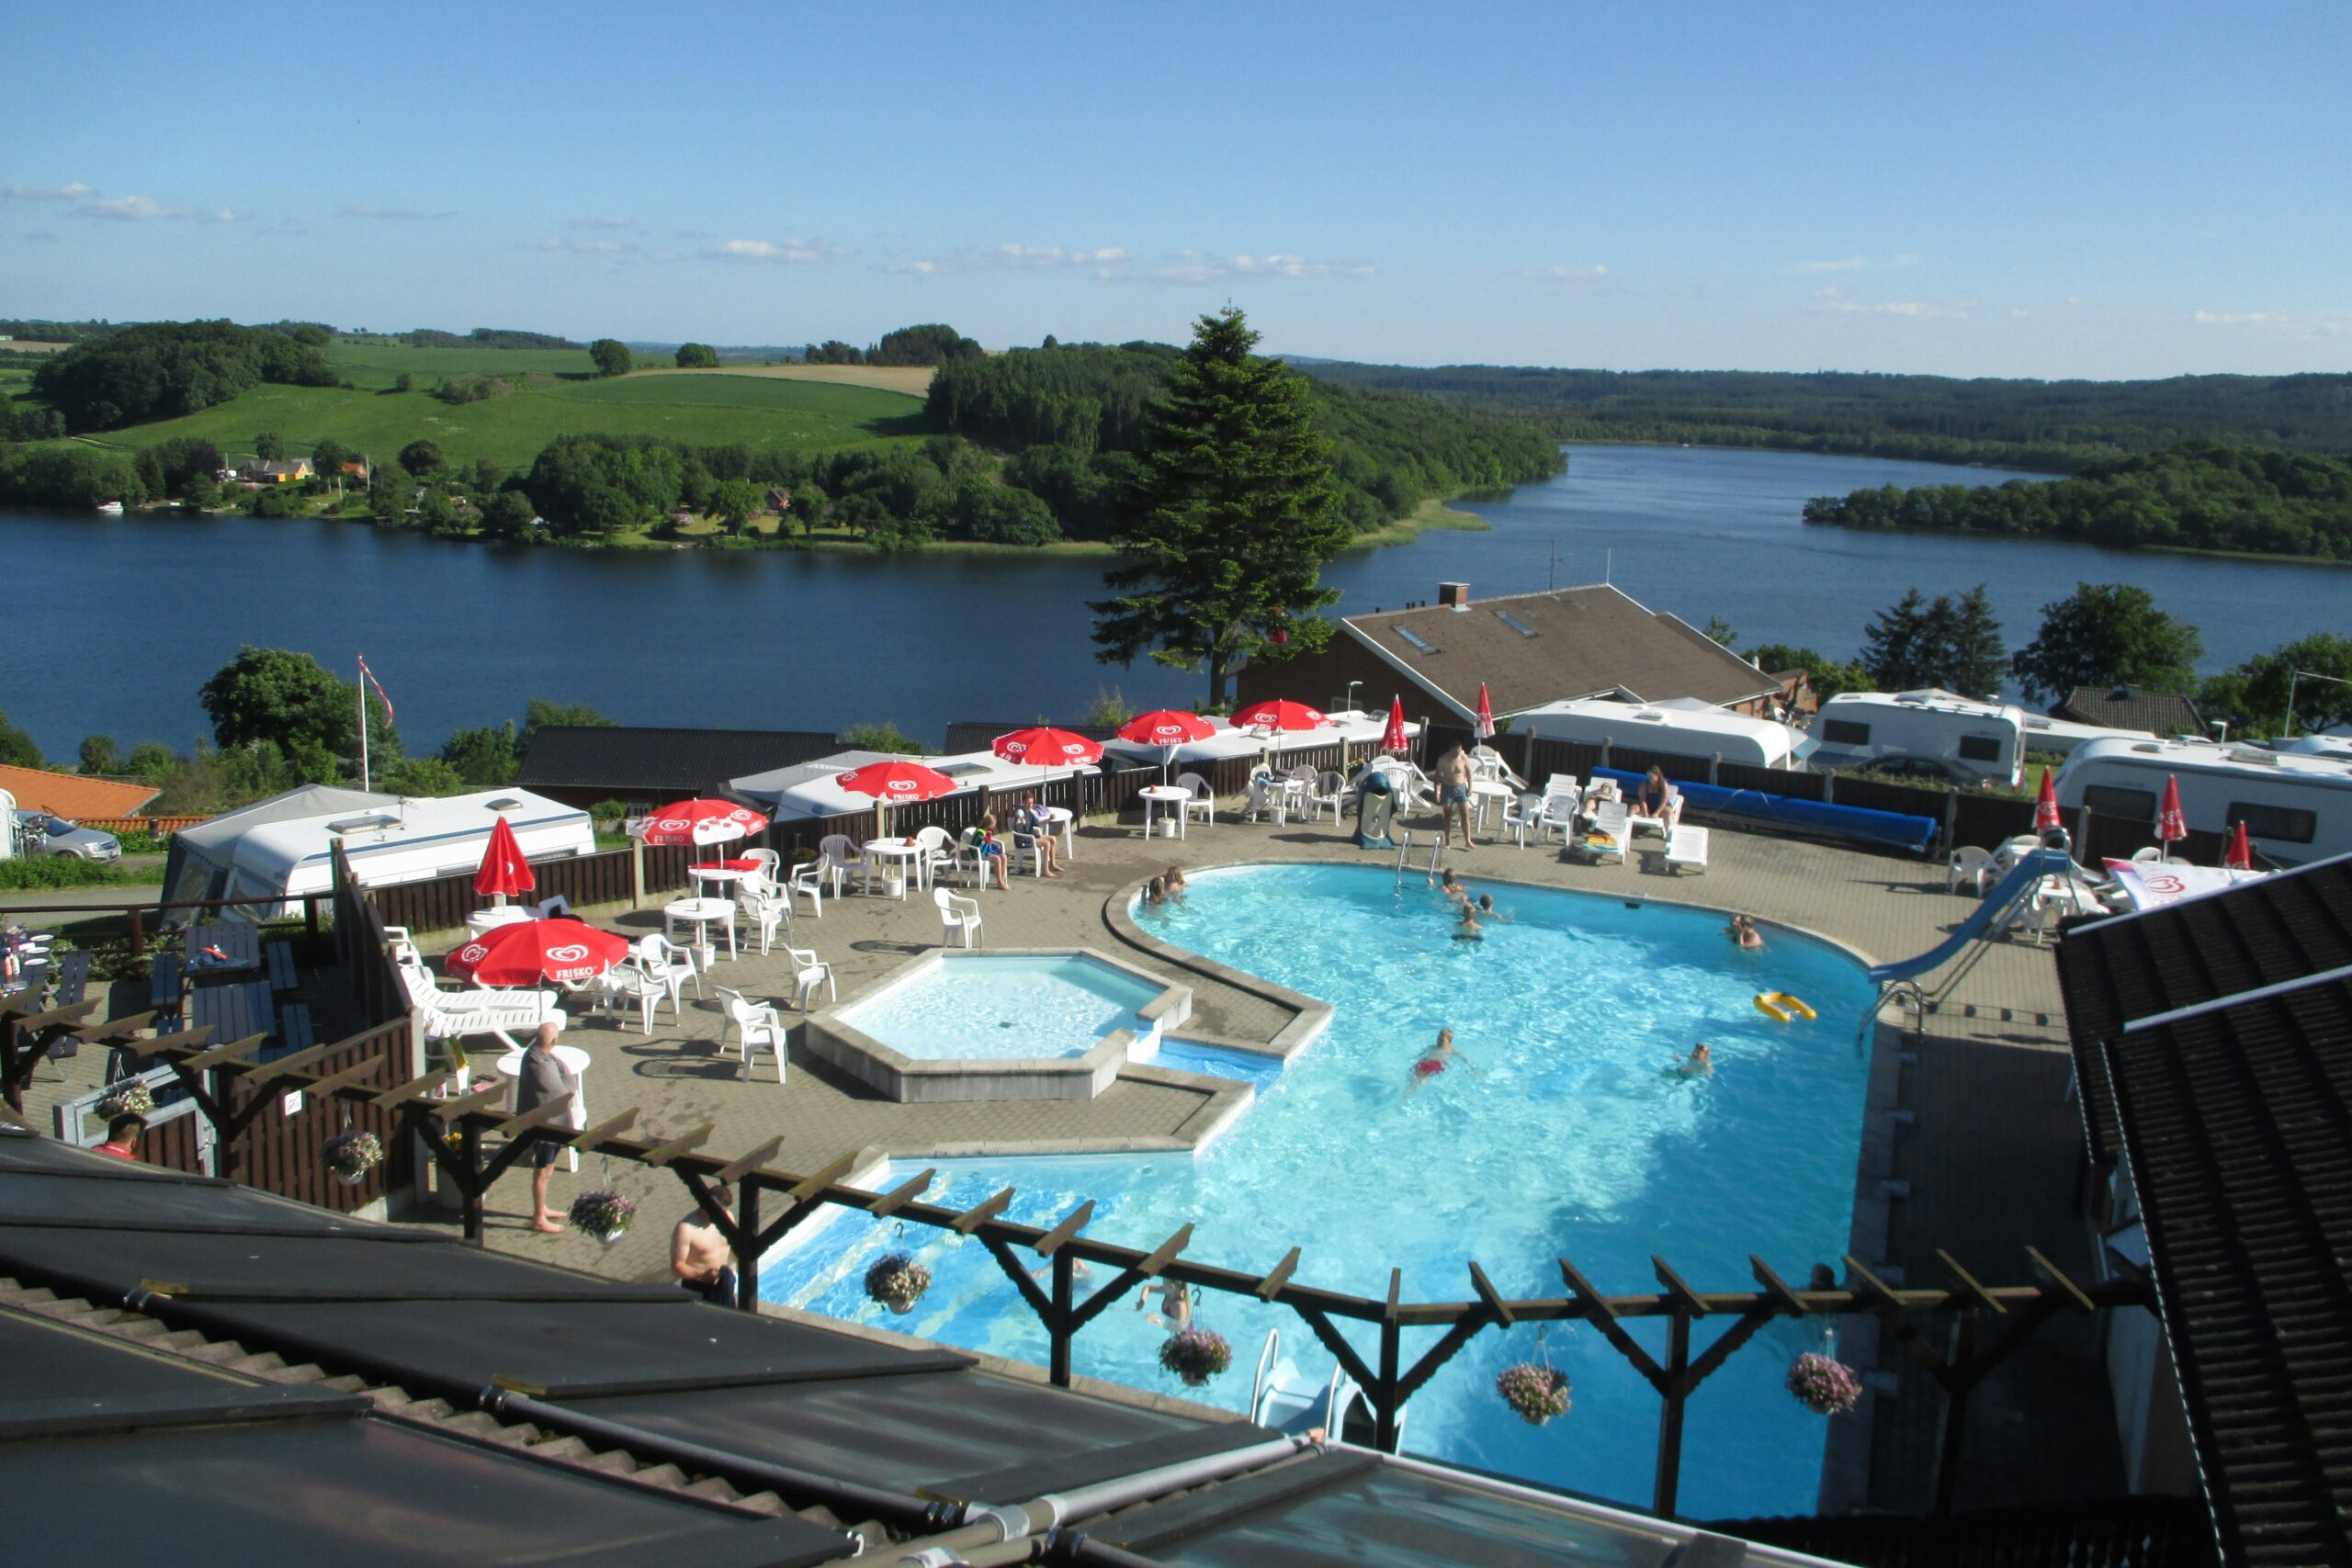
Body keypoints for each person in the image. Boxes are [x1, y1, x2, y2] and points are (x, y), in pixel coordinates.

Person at [514, 1021, 581, 1234]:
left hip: (549, 1123)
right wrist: (568, 1079)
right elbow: (564, 1091)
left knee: (548, 1168)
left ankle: (541, 1207)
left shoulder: (535, 1055)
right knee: (542, 1171)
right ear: (554, 1041)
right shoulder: (541, 1064)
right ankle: (538, 1218)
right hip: (545, 1126)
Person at [672, 1183, 739, 1305]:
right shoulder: (686, 1229)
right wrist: (702, 1274)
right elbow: (677, 1266)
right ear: (708, 1206)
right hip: (699, 1288)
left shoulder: (728, 1217)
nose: (722, 1216)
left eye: (724, 1212)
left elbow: (735, 1246)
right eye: (719, 1213)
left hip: (724, 1284)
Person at [1406, 1028, 1476, 1095]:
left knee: (1416, 1082)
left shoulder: (1452, 1050)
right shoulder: (1431, 1047)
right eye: (1438, 1038)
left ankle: (1406, 1096)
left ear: (1449, 1041)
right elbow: (1419, 1055)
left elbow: (1465, 1059)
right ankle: (1408, 1094)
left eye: (1442, 1040)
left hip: (1435, 1065)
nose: (1439, 1041)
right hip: (1423, 1062)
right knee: (1412, 1079)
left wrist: (1472, 1069)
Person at [1012, 793, 1064, 878]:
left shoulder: (1031, 812)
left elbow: (1039, 823)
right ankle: (1045, 870)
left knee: (1053, 839)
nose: (1030, 805)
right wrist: (1021, 824)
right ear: (1023, 802)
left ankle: (1052, 864)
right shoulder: (1020, 812)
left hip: (1030, 836)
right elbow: (1017, 824)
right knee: (1046, 843)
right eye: (1028, 803)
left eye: (1031, 803)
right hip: (1023, 840)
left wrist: (1049, 819)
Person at [1435, 744, 1476, 850]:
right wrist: (1436, 792)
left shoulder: (1463, 758)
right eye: (1456, 751)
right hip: (1447, 789)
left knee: (1465, 815)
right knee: (1447, 816)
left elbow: (1469, 773)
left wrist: (1470, 787)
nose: (1458, 753)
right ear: (1451, 749)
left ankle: (1468, 840)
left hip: (1460, 788)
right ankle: (1447, 841)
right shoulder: (1443, 759)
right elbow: (1437, 776)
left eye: (1459, 751)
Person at [973, 813, 1011, 891]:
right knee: (997, 859)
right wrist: (983, 840)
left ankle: (1002, 880)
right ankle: (999, 882)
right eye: (994, 824)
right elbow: (978, 845)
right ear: (990, 824)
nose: (995, 825)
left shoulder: (988, 830)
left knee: (1004, 856)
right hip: (980, 853)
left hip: (987, 850)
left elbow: (988, 842)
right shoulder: (980, 832)